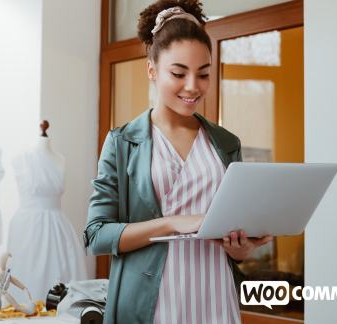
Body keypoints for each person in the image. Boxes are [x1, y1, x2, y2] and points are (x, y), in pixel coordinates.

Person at [84, 1, 273, 323]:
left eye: (203, 74)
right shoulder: (122, 142)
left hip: (214, 296)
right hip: (151, 304)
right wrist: (175, 222)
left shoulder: (226, 144)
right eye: (178, 73)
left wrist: (240, 250)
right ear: (152, 70)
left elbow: (234, 233)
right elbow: (96, 235)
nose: (192, 87)